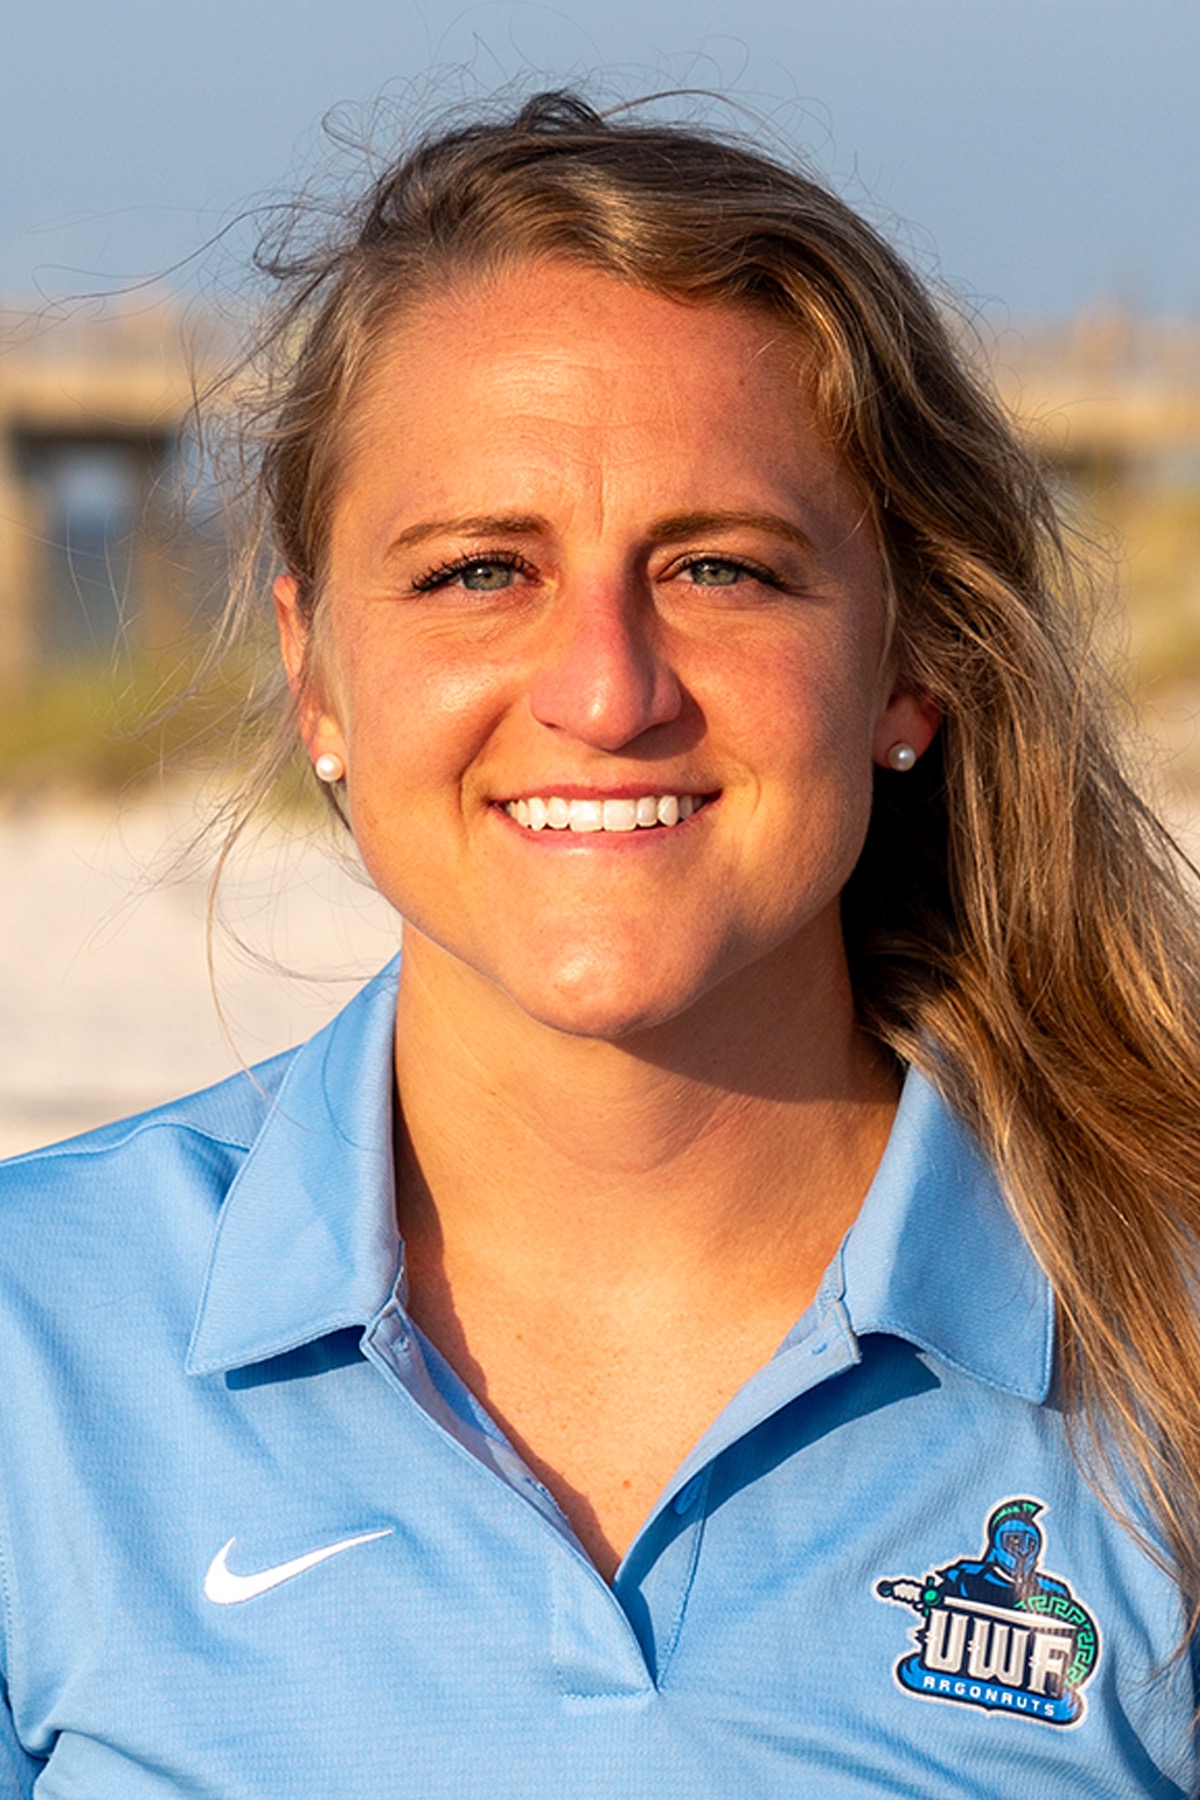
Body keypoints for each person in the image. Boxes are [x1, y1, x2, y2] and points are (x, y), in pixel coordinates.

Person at [1, 89, 1198, 1797]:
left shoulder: (1164, 1355)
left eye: (721, 568)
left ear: (909, 661)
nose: (605, 693)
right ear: (315, 673)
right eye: (481, 572)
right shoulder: (37, 1348)